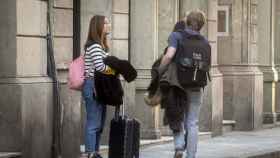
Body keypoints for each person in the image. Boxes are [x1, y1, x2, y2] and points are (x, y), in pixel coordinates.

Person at [158, 10, 209, 158]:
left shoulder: (176, 36)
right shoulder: (204, 42)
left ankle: (179, 147)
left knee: (177, 115)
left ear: (187, 22)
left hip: (178, 84)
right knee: (193, 122)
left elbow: (169, 55)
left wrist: (159, 71)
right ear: (201, 25)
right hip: (197, 85)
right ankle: (191, 155)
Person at [82, 15, 115, 158]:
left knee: (100, 124)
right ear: (99, 26)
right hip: (92, 86)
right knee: (93, 122)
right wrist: (116, 70)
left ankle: (95, 152)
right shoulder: (94, 46)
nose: (109, 24)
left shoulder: (102, 45)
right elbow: (100, 67)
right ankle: (90, 153)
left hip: (100, 87)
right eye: (106, 22)